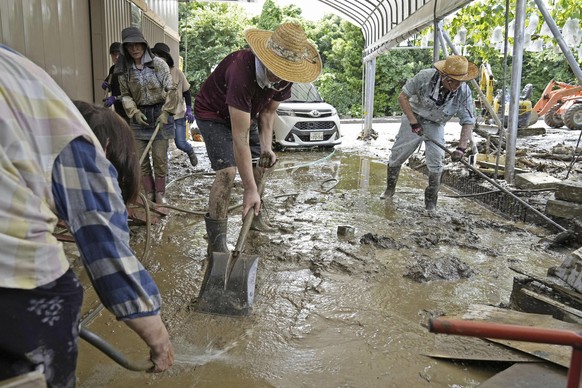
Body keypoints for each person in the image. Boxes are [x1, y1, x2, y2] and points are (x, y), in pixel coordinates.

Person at [0, 45, 174, 387]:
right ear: (107, 151)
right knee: (62, 292)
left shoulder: (27, 96)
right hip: (13, 277)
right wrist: (158, 337)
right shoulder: (77, 138)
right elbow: (105, 247)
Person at [194, 22, 321, 254]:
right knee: (227, 172)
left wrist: (266, 148)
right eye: (277, 68)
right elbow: (239, 138)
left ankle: (253, 218)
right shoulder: (240, 70)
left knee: (262, 163)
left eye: (286, 70)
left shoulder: (286, 77)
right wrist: (249, 188)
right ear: (265, 58)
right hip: (213, 113)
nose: (280, 75)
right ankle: (217, 239)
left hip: (247, 112)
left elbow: (268, 112)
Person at [380, 54, 478, 212]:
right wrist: (413, 122)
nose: (454, 86)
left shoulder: (463, 93)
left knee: (436, 159)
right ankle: (389, 189)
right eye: (451, 81)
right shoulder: (424, 77)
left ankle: (431, 201)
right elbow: (403, 97)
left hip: (436, 122)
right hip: (414, 116)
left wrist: (461, 148)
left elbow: (468, 120)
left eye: (458, 82)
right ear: (442, 75)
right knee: (398, 154)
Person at [117, 27, 178, 209]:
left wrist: (167, 111)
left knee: (159, 157)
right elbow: (125, 95)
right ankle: (148, 192)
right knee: (140, 159)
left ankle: (160, 193)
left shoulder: (158, 64)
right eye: (130, 46)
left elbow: (171, 88)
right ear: (126, 49)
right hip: (139, 116)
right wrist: (134, 112)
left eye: (138, 45)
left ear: (144, 45)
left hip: (160, 112)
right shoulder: (124, 69)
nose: (135, 49)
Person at [151, 42, 198, 167]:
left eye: (162, 56)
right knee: (162, 146)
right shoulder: (152, 73)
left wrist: (189, 109)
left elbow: (186, 92)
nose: (159, 58)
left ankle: (190, 151)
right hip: (162, 115)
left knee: (180, 143)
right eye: (156, 55)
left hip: (178, 113)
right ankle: (163, 172)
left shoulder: (176, 72)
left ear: (167, 58)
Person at [101, 42, 129, 123]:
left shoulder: (128, 69)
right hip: (118, 109)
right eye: (114, 54)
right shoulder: (113, 69)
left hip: (130, 109)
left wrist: (116, 98)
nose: (116, 57)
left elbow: (131, 93)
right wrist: (105, 85)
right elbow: (109, 82)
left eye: (118, 54)